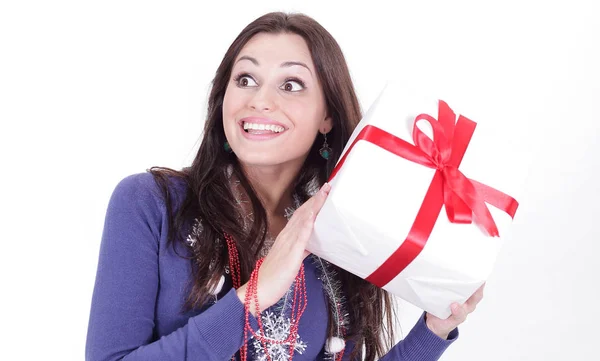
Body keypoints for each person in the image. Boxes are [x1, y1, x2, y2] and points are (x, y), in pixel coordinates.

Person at [85, 11, 484, 361]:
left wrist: (433, 332)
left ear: (327, 115)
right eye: (245, 79)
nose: (260, 100)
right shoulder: (150, 203)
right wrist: (255, 295)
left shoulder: (337, 229)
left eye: (290, 85)